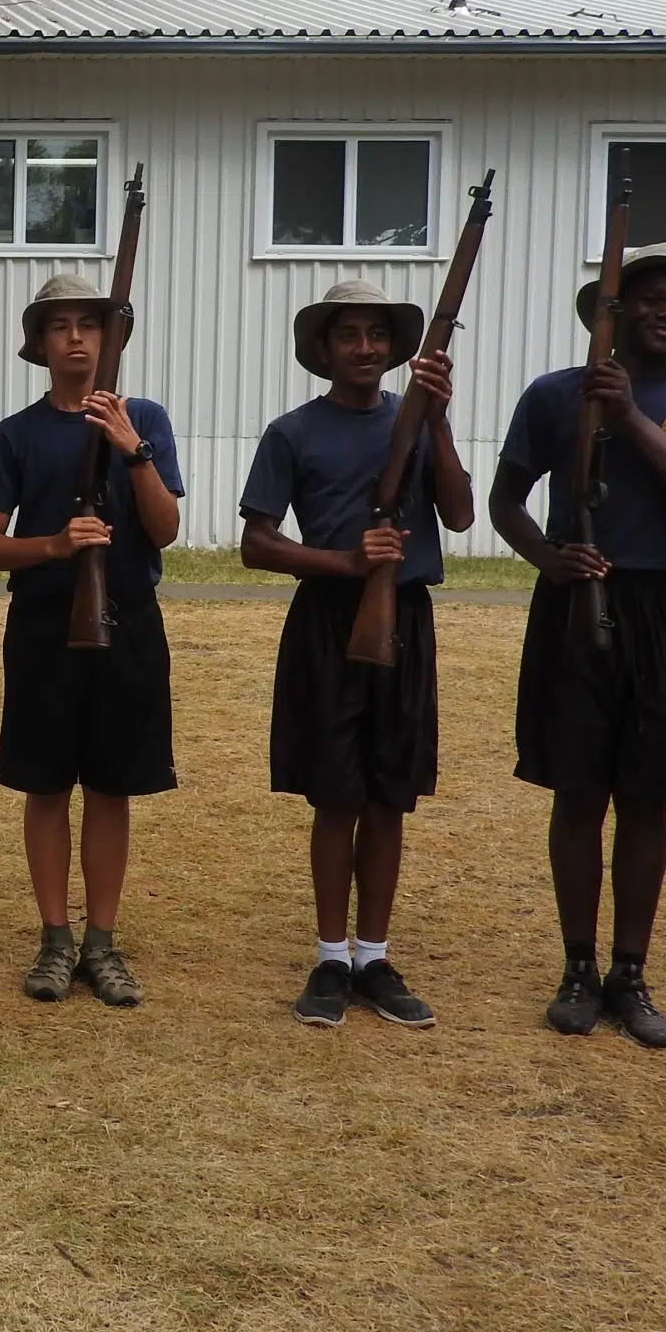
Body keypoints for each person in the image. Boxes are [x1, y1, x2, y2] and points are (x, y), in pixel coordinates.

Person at [487, 245, 666, 1050]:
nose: (665, 310)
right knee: (576, 792)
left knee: (648, 796)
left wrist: (631, 418)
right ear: (613, 310)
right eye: (646, 295)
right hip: (577, 606)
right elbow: (508, 502)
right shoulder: (552, 396)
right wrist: (550, 560)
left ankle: (629, 974)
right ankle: (576, 969)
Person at [240, 280, 472, 1031]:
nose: (366, 348)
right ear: (325, 350)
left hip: (404, 618)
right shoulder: (292, 432)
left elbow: (462, 513)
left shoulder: (418, 421)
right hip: (328, 621)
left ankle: (375, 955)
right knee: (335, 795)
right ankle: (332, 956)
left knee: (388, 792)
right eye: (350, 336)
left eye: (378, 334)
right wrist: (346, 561)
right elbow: (257, 543)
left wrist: (435, 420)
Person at [0, 274, 184, 1007]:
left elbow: (166, 530)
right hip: (44, 627)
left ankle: (103, 942)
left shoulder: (144, 417)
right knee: (47, 783)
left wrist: (133, 449)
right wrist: (55, 546)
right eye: (60, 326)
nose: (77, 339)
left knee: (113, 786)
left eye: (90, 325)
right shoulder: (15, 434)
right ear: (42, 343)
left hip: (128, 619)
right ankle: (55, 938)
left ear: (110, 338)